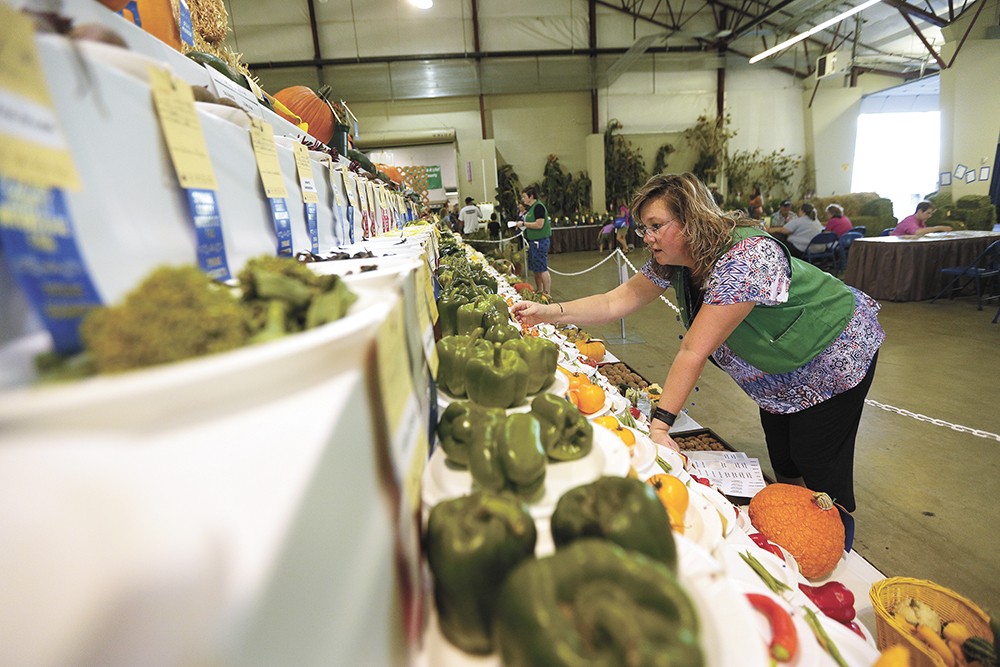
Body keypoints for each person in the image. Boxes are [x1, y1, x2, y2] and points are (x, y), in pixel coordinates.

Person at [512, 173, 884, 512]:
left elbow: (694, 350)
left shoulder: (747, 259)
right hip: (779, 372)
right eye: (645, 228)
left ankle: (834, 527)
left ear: (691, 221)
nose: (648, 237)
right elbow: (617, 300)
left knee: (817, 459)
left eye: (656, 226)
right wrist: (550, 312)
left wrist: (660, 426)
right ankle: (796, 517)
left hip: (834, 356)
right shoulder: (674, 256)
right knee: (785, 457)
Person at [516, 187, 552, 295]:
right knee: (536, 269)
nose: (523, 199)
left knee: (542, 268)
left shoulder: (538, 207)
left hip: (540, 241)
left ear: (531, 196)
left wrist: (523, 224)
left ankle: (547, 293)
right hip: (533, 242)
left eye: (524, 196)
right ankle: (539, 290)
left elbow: (539, 224)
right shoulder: (531, 209)